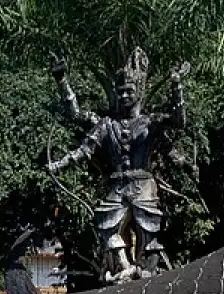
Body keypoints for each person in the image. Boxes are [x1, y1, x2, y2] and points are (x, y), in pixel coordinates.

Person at [47, 48, 187, 281]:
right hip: (116, 188)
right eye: (120, 92)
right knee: (106, 227)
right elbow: (79, 128)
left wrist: (176, 86)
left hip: (144, 187)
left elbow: (179, 121)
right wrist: (63, 82)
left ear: (139, 92)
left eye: (129, 92)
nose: (124, 97)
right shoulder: (106, 124)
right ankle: (122, 267)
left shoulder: (150, 123)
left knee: (149, 234)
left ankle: (147, 273)